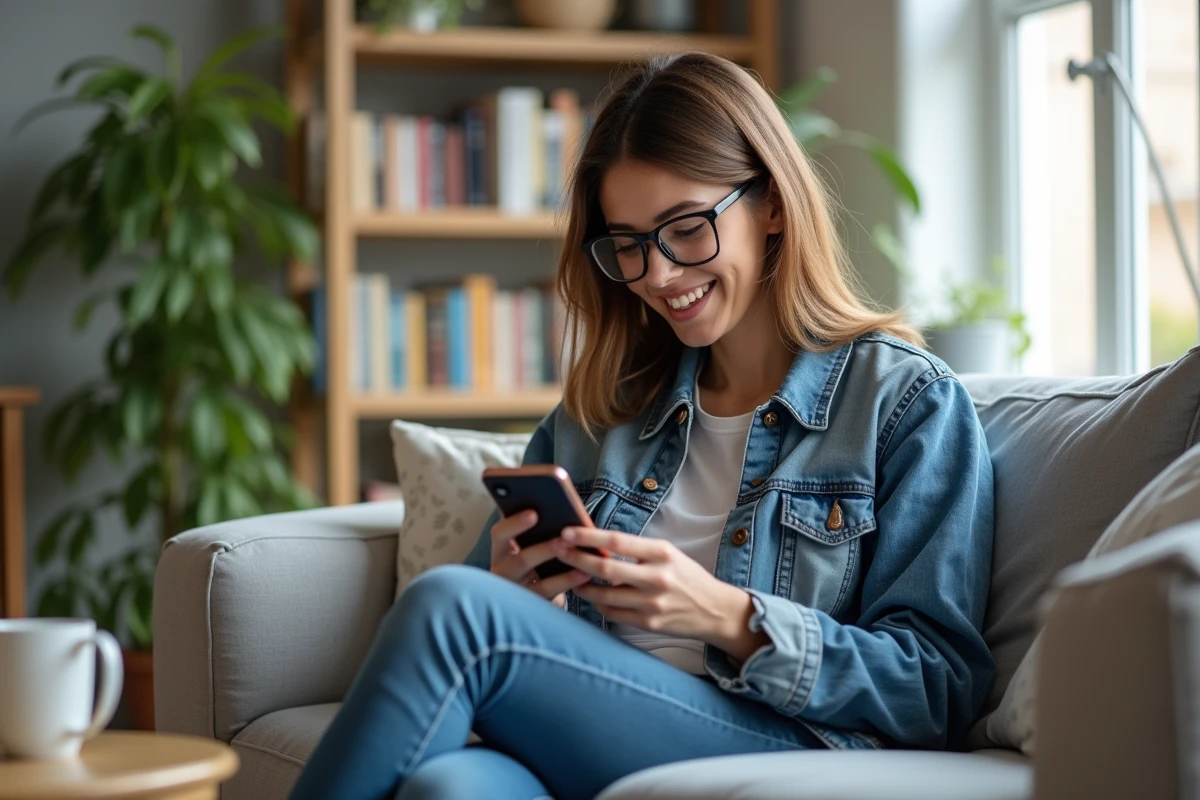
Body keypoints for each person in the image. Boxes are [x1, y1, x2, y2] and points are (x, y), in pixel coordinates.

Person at [288, 51, 995, 800]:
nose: (657, 274)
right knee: (449, 788)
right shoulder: (605, 412)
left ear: (774, 206)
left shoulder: (903, 401)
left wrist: (730, 617)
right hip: (597, 739)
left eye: (685, 228)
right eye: (627, 244)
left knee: (448, 609)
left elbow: (937, 689)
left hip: (777, 741)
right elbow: (489, 623)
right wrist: (515, 588)